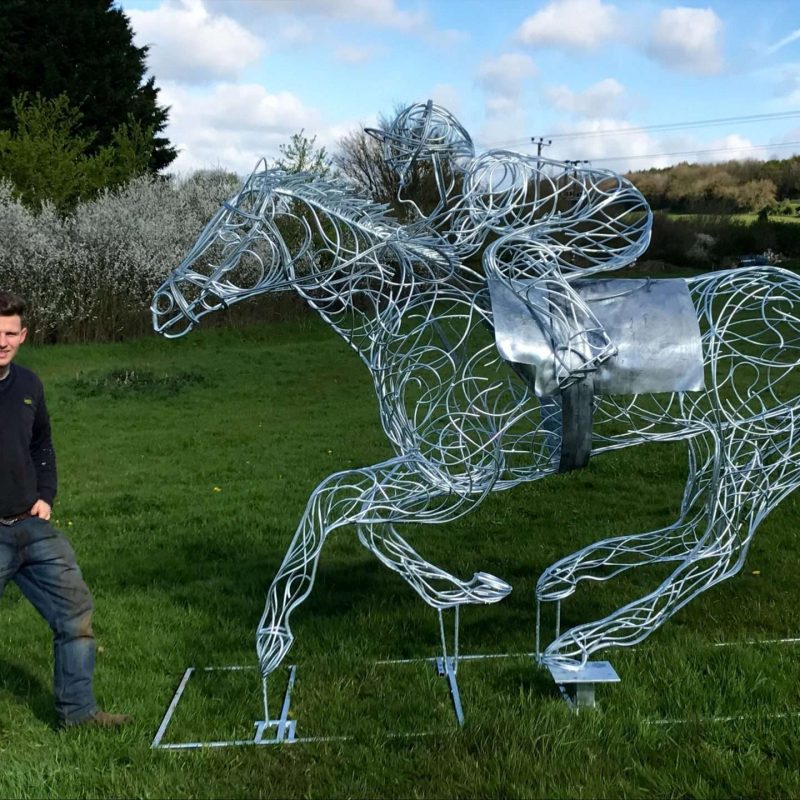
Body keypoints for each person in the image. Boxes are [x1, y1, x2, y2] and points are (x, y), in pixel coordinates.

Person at [0, 291, 130, 729]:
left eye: (10, 333)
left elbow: (42, 445)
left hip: (32, 525)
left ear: (23, 336)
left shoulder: (29, 386)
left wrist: (46, 495)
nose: (1, 341)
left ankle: (77, 714)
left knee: (74, 613)